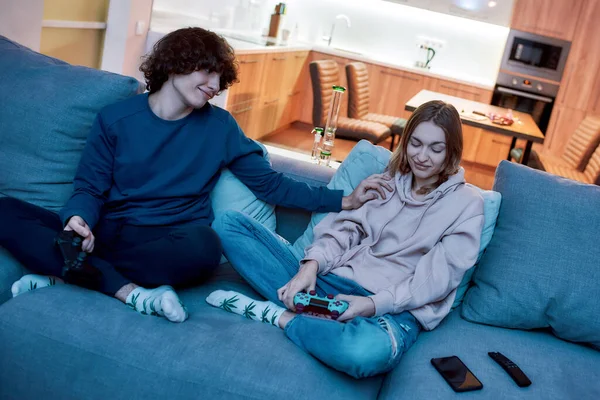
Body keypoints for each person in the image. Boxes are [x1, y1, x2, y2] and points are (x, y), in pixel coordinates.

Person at [0, 27, 391, 323]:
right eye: (207, 72)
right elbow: (89, 186)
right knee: (5, 210)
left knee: (204, 247)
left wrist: (344, 199)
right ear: (174, 64)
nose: (215, 87)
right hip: (110, 231)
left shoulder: (220, 127)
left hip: (171, 241)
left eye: (221, 78)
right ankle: (131, 292)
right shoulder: (116, 119)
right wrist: (78, 221)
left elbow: (270, 184)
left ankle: (67, 272)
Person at [206, 100, 485, 378]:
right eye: (415, 144)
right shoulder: (387, 180)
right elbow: (344, 232)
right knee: (229, 224)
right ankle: (313, 308)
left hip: (390, 309)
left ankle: (283, 315)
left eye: (436, 149)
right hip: (330, 283)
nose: (422, 156)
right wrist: (310, 266)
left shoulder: (467, 204)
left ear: (451, 152)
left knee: (363, 353)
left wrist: (372, 305)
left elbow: (436, 279)